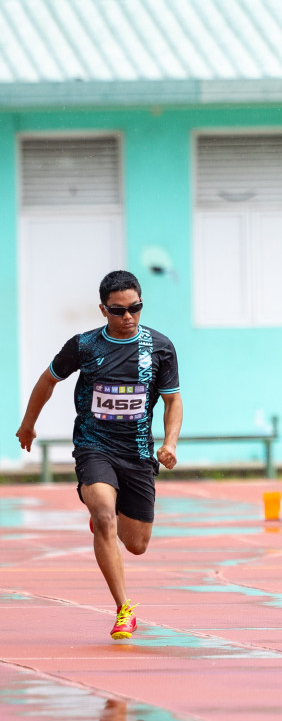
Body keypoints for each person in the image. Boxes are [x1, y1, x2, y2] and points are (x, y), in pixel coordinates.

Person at [14, 270, 182, 641]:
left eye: (135, 309)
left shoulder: (160, 347)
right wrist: (28, 424)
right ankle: (124, 609)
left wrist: (169, 443)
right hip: (94, 446)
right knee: (104, 515)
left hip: (137, 452)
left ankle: (106, 517)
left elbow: (173, 400)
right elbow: (47, 380)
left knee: (136, 544)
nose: (128, 318)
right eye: (118, 311)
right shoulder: (84, 346)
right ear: (103, 309)